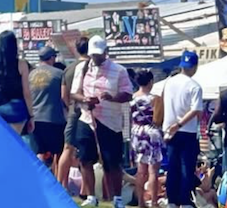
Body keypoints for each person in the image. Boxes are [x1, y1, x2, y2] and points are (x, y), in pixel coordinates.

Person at [71, 35, 134, 208]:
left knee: (111, 161)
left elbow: (128, 94)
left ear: (106, 52)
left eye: (99, 54)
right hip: (87, 118)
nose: (96, 58)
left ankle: (117, 198)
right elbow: (74, 93)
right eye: (93, 55)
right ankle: (91, 196)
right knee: (85, 158)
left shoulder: (119, 70)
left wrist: (112, 97)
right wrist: (85, 99)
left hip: (110, 121)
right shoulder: (82, 68)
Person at [162, 51, 204, 208]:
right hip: (187, 131)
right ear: (194, 66)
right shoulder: (195, 86)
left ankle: (172, 200)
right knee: (187, 167)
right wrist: (179, 124)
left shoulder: (169, 82)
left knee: (172, 167)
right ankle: (185, 200)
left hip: (170, 131)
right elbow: (195, 110)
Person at [58, 35, 90, 191]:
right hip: (90, 112)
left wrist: (70, 106)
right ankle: (86, 189)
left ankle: (60, 184)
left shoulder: (68, 69)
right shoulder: (93, 66)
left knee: (68, 148)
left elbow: (64, 94)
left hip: (73, 110)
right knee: (89, 151)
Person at [29, 45, 67, 171]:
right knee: (58, 152)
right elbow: (64, 96)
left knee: (39, 152)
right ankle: (56, 182)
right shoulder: (60, 74)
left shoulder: (30, 75)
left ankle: (39, 179)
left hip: (35, 119)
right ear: (52, 58)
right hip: (54, 119)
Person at [130, 69, 163, 208]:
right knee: (153, 171)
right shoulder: (155, 98)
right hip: (151, 134)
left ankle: (140, 202)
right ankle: (154, 202)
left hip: (136, 133)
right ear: (150, 81)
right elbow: (157, 120)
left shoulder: (132, 98)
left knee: (140, 170)